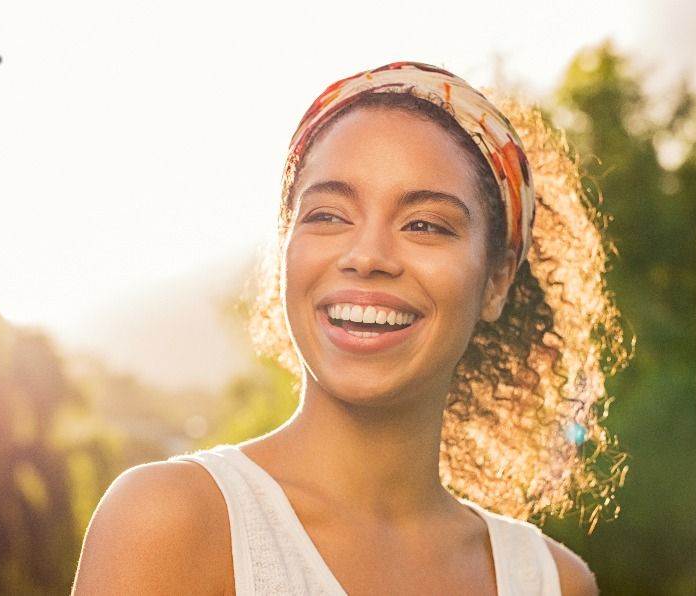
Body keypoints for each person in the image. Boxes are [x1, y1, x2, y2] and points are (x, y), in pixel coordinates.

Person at [72, 61, 628, 595]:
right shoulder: (172, 521)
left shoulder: (551, 581)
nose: (367, 256)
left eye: (425, 225)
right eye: (329, 215)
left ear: (497, 280)